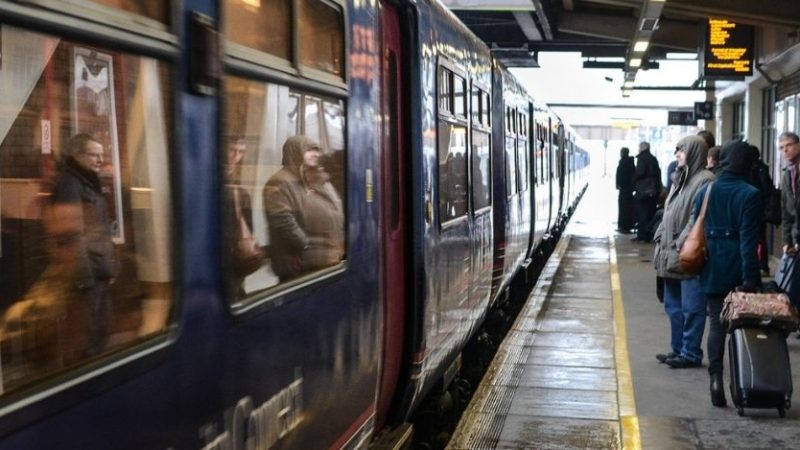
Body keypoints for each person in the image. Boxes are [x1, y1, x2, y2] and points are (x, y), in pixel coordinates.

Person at [694, 140, 762, 407]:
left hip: (710, 264)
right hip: (736, 266)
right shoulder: (750, 194)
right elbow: (748, 241)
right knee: (738, 328)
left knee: (716, 325)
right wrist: (751, 279)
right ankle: (741, 382)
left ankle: (715, 381)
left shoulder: (706, 191)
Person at [50, 133, 118, 356]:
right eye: (93, 155)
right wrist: (84, 281)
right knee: (86, 343)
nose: (100, 160)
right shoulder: (69, 184)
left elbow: (100, 231)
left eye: (101, 155)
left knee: (100, 336)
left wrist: (111, 267)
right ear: (78, 155)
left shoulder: (88, 182)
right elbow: (71, 236)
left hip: (98, 274)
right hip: (87, 280)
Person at [653, 136, 714, 369]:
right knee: (673, 306)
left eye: (681, 151)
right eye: (676, 151)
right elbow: (669, 211)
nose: (677, 155)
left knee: (692, 308)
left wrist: (681, 242)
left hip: (687, 253)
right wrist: (660, 235)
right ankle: (678, 348)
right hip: (669, 253)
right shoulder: (681, 179)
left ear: (694, 153)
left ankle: (690, 352)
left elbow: (699, 216)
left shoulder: (705, 180)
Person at [263, 136, 345, 282]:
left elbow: (336, 206)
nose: (315, 154)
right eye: (309, 150)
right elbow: (283, 221)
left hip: (326, 261)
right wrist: (306, 245)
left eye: (317, 150)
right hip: (300, 265)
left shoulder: (318, 178)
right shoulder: (280, 182)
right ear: (294, 152)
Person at [226, 137, 264, 297]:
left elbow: (248, 230)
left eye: (240, 152)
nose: (235, 157)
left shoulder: (241, 193)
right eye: (231, 150)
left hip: (233, 266)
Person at [632, 141, 661, 242]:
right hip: (653, 190)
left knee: (642, 214)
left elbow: (640, 172)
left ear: (642, 148)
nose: (638, 149)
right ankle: (648, 235)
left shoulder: (642, 158)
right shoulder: (653, 158)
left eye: (639, 147)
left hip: (643, 190)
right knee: (650, 213)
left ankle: (642, 236)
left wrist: (633, 180)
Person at [615, 147, 635, 233]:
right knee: (627, 208)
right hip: (628, 189)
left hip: (624, 189)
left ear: (623, 153)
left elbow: (621, 176)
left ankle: (623, 226)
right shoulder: (630, 162)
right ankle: (625, 226)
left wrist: (619, 184)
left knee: (623, 208)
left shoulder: (623, 162)